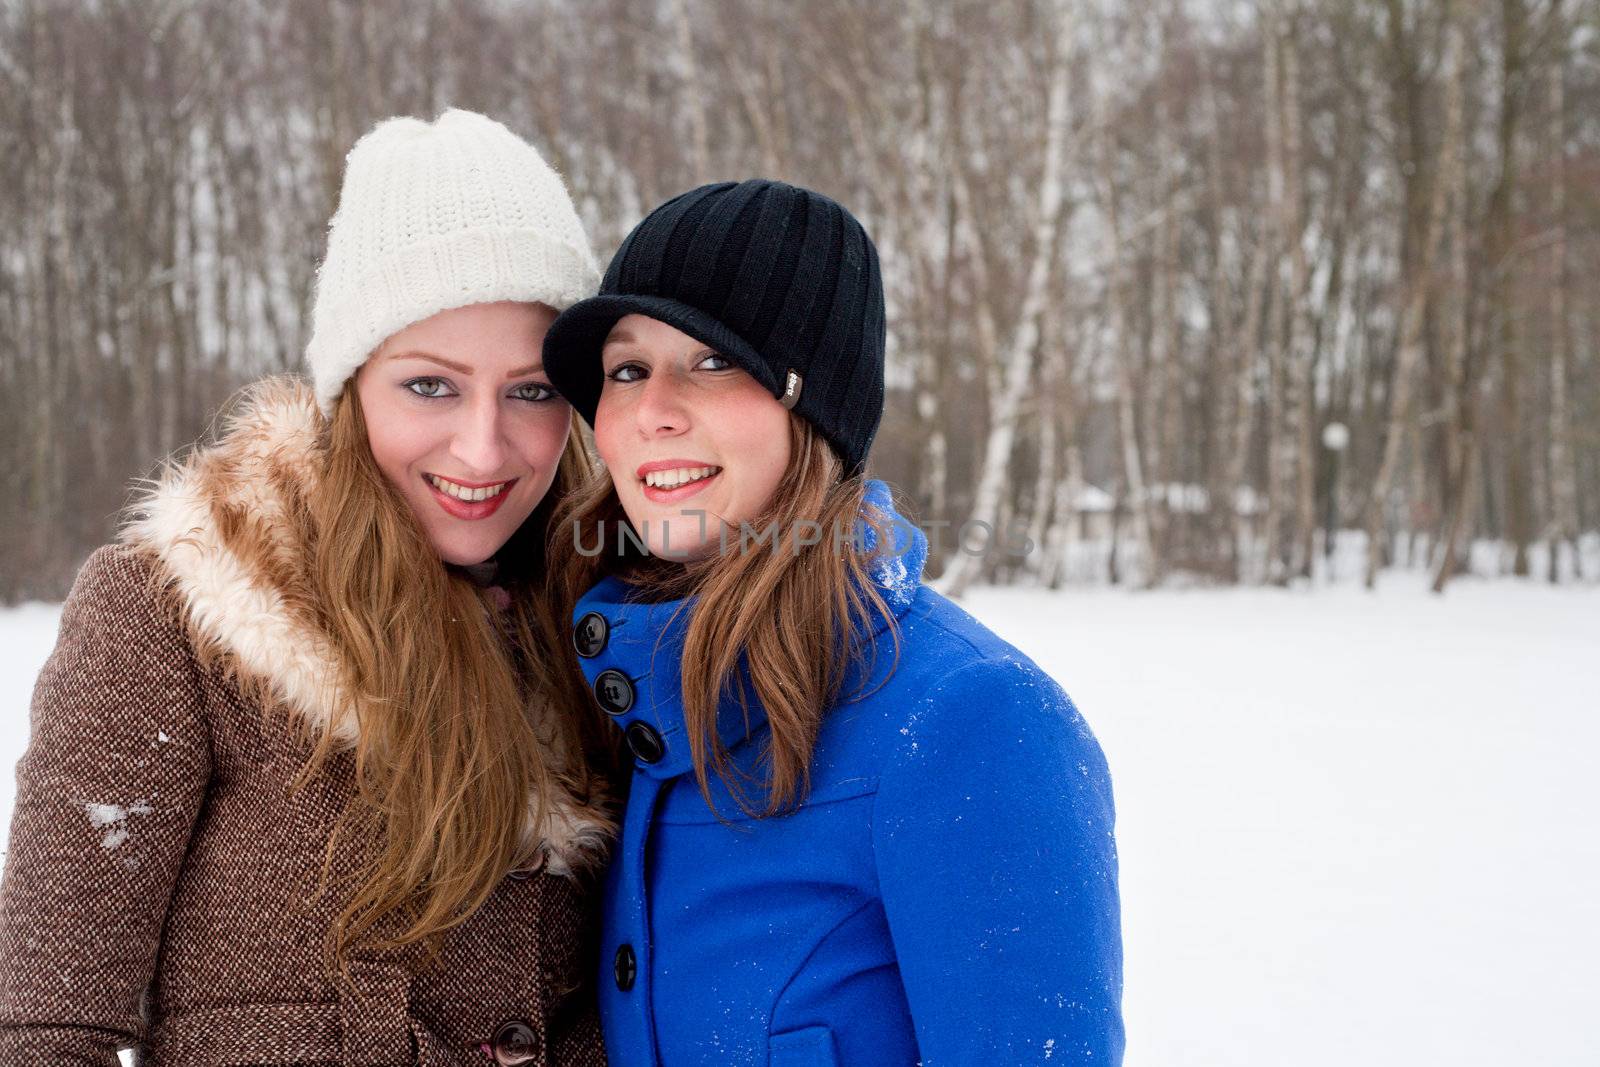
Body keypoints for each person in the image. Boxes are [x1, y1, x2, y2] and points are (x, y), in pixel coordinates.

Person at [0, 109, 616, 1065]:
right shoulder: (179, 616)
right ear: (351, 382)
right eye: (431, 386)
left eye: (531, 390)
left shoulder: (598, 633)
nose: (485, 447)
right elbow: (45, 1031)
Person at [542, 179, 1124, 1065]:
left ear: (815, 409)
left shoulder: (971, 720)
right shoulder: (608, 697)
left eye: (712, 361)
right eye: (628, 369)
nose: (653, 407)